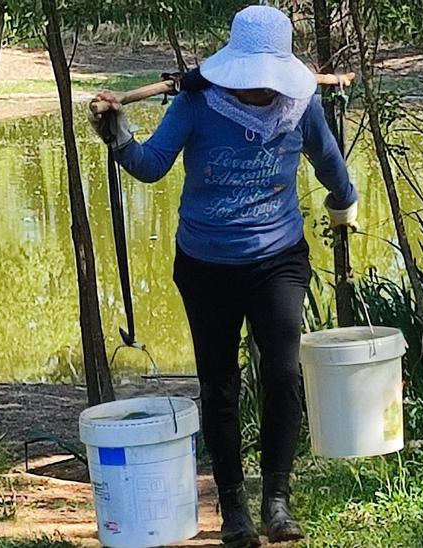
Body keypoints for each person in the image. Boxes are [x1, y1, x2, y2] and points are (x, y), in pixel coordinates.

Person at [88, 5, 357, 546]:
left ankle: (277, 502)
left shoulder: (301, 102)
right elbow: (151, 164)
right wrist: (115, 135)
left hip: (278, 258)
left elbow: (328, 162)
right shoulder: (196, 102)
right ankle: (233, 510)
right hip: (206, 264)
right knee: (219, 385)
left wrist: (344, 200)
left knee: (283, 372)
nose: (261, 89)